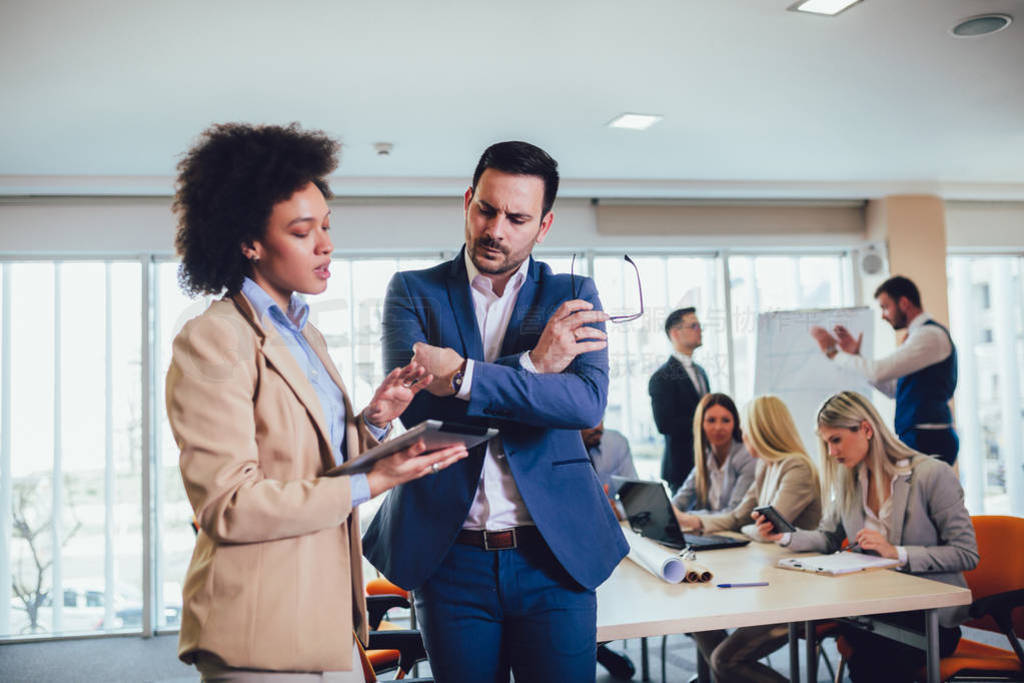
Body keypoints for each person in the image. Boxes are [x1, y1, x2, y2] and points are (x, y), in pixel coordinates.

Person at [166, 123, 468, 682]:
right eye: (304, 232)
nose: (326, 244)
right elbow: (229, 505)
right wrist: (374, 482)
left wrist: (374, 420)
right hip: (260, 630)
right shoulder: (213, 338)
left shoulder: (306, 334)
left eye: (326, 226)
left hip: (329, 617)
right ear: (248, 242)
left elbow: (311, 460)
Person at [362, 141, 628, 683]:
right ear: (467, 201)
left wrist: (463, 376)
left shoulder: (572, 293)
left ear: (544, 225)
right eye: (486, 209)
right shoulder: (413, 292)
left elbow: (582, 403)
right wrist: (533, 367)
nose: (496, 229)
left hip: (553, 557)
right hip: (450, 556)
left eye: (517, 217)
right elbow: (422, 420)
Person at [757, 391, 978, 682]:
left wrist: (896, 553)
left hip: (928, 617)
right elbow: (828, 537)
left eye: (835, 440)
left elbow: (966, 553)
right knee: (864, 643)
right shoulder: (849, 478)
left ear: (866, 429)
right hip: (873, 609)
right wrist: (784, 536)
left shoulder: (932, 475)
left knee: (872, 654)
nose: (832, 453)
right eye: (826, 443)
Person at [673, 395, 822, 683]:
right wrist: (697, 522)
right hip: (771, 579)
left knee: (725, 660)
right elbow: (738, 517)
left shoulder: (796, 467)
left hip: (796, 591)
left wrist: (750, 528)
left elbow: (768, 530)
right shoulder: (767, 465)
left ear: (763, 430)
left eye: (745, 428)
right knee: (700, 616)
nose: (741, 435)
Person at [810, 275, 958, 465]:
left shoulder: (929, 336)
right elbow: (895, 390)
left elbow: (878, 371)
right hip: (918, 435)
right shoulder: (917, 336)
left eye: (885, 307)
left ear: (904, 303)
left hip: (930, 436)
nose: (883, 315)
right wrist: (857, 357)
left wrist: (834, 354)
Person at [649, 307, 710, 493]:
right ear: (675, 333)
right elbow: (664, 424)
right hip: (682, 467)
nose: (699, 330)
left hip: (708, 463)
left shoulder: (701, 371)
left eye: (699, 326)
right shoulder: (662, 377)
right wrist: (704, 422)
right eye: (694, 326)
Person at [672, 392, 756, 514]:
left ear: (735, 424)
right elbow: (681, 500)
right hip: (711, 530)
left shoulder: (747, 457)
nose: (718, 427)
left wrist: (690, 517)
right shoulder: (706, 457)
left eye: (725, 420)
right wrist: (667, 512)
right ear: (701, 424)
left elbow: (735, 513)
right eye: (711, 420)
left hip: (736, 530)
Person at [581, 421, 638, 496]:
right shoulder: (562, 451)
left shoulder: (617, 442)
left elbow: (633, 490)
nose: (599, 427)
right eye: (590, 420)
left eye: (600, 417)